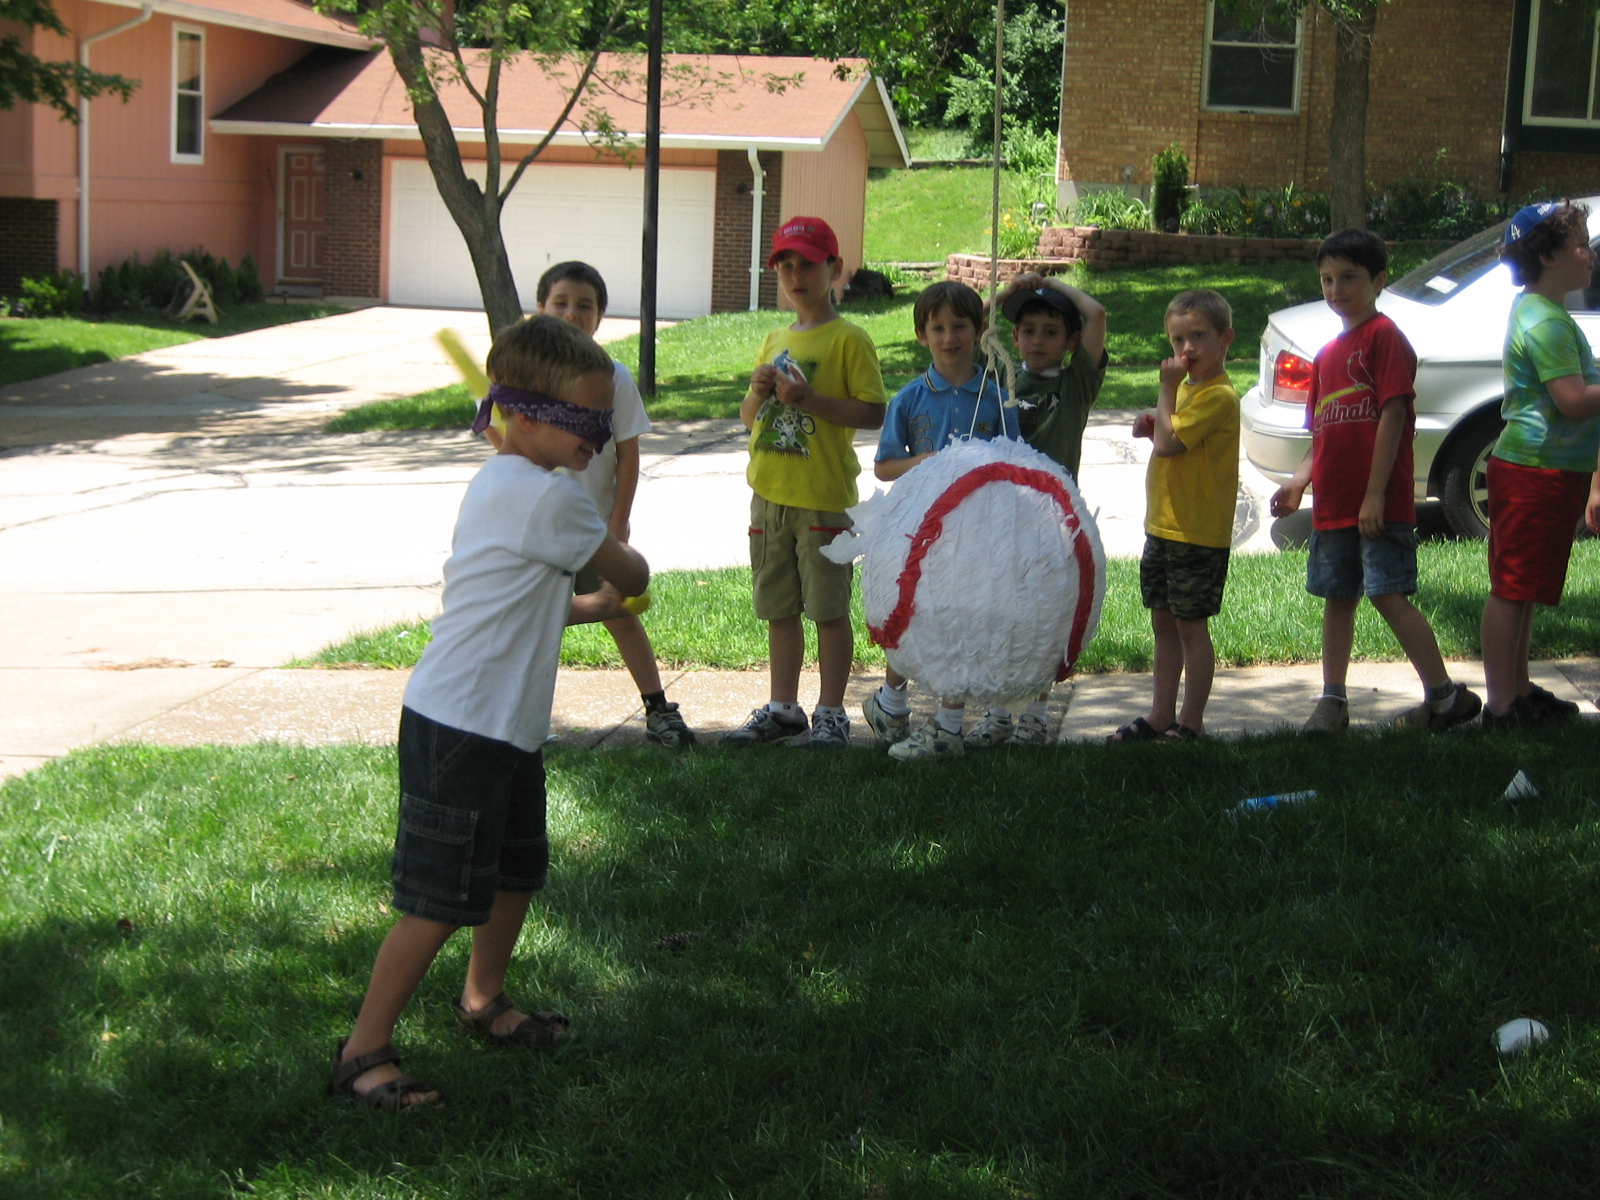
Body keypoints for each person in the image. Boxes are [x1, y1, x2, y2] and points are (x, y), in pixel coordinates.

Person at [330, 315, 649, 1111]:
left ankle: (483, 1000)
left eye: (605, 420)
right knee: (437, 899)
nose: (600, 437)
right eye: (585, 420)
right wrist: (619, 566)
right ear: (529, 416)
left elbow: (516, 596)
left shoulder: (505, 482)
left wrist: (585, 607)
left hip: (498, 725)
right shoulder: (549, 500)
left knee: (514, 871)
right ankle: (363, 1051)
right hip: (463, 729)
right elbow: (632, 570)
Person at [1271, 229, 1481, 733]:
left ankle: (1444, 697)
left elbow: (1393, 415)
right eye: (1327, 279)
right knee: (1337, 599)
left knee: (1388, 595)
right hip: (1333, 506)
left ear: (1379, 281)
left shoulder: (1385, 338)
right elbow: (1321, 434)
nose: (1336, 289)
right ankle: (1333, 700)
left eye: (1349, 277)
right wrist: (1299, 483)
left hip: (1378, 505)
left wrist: (1374, 495)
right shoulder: (1326, 356)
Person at [724, 216, 888, 748]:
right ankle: (783, 708)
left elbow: (874, 412)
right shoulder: (774, 338)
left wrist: (809, 400)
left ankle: (832, 711)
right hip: (769, 496)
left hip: (822, 499)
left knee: (828, 610)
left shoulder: (849, 339)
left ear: (834, 269)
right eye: (786, 266)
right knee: (779, 608)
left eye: (809, 265)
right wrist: (757, 392)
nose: (796, 275)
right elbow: (750, 418)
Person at [536, 261, 694, 747]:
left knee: (621, 614)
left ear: (600, 317)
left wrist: (619, 522)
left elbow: (628, 452)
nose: (572, 313)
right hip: (539, 530)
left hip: (594, 525)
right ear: (541, 309)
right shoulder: (527, 377)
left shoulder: (612, 377)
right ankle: (527, 719)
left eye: (584, 305)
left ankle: (658, 709)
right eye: (561, 303)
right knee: (538, 625)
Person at [958, 271, 1109, 747]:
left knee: (1045, 616)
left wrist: (1053, 285)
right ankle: (999, 712)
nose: (1037, 341)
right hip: (1001, 518)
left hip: (1053, 522)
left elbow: (1096, 314)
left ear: (1070, 342)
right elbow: (971, 323)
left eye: (1050, 332)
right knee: (1001, 611)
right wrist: (1010, 290)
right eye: (1027, 331)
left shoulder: (1077, 383)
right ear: (1014, 337)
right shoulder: (997, 375)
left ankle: (1036, 715)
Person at [862, 280, 1011, 760]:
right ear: (921, 335)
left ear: (979, 330)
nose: (950, 337)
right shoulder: (909, 399)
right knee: (910, 613)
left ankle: (949, 725)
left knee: (959, 616)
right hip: (918, 530)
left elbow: (1015, 459)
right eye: (938, 328)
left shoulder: (995, 396)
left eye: (960, 326)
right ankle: (891, 702)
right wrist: (924, 463)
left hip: (975, 530)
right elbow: (884, 466)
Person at [1480, 202, 1600, 727]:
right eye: (1581, 244)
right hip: (1535, 471)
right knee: (1512, 589)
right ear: (1548, 257)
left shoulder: (1540, 309)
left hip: (1548, 470)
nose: (1590, 254)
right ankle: (1501, 705)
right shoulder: (1545, 321)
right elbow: (1572, 401)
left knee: (1524, 588)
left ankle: (1519, 689)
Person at [1107, 289, 1238, 742]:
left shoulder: (1219, 396)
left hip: (1196, 533)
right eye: (1178, 339)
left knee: (1190, 627)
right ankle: (1160, 713)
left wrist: (1163, 394)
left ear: (1226, 339)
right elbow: (1169, 438)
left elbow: (1170, 444)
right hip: (1163, 526)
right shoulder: (1187, 388)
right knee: (1163, 622)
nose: (1187, 349)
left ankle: (1191, 721)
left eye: (1198, 336)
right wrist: (1153, 422)